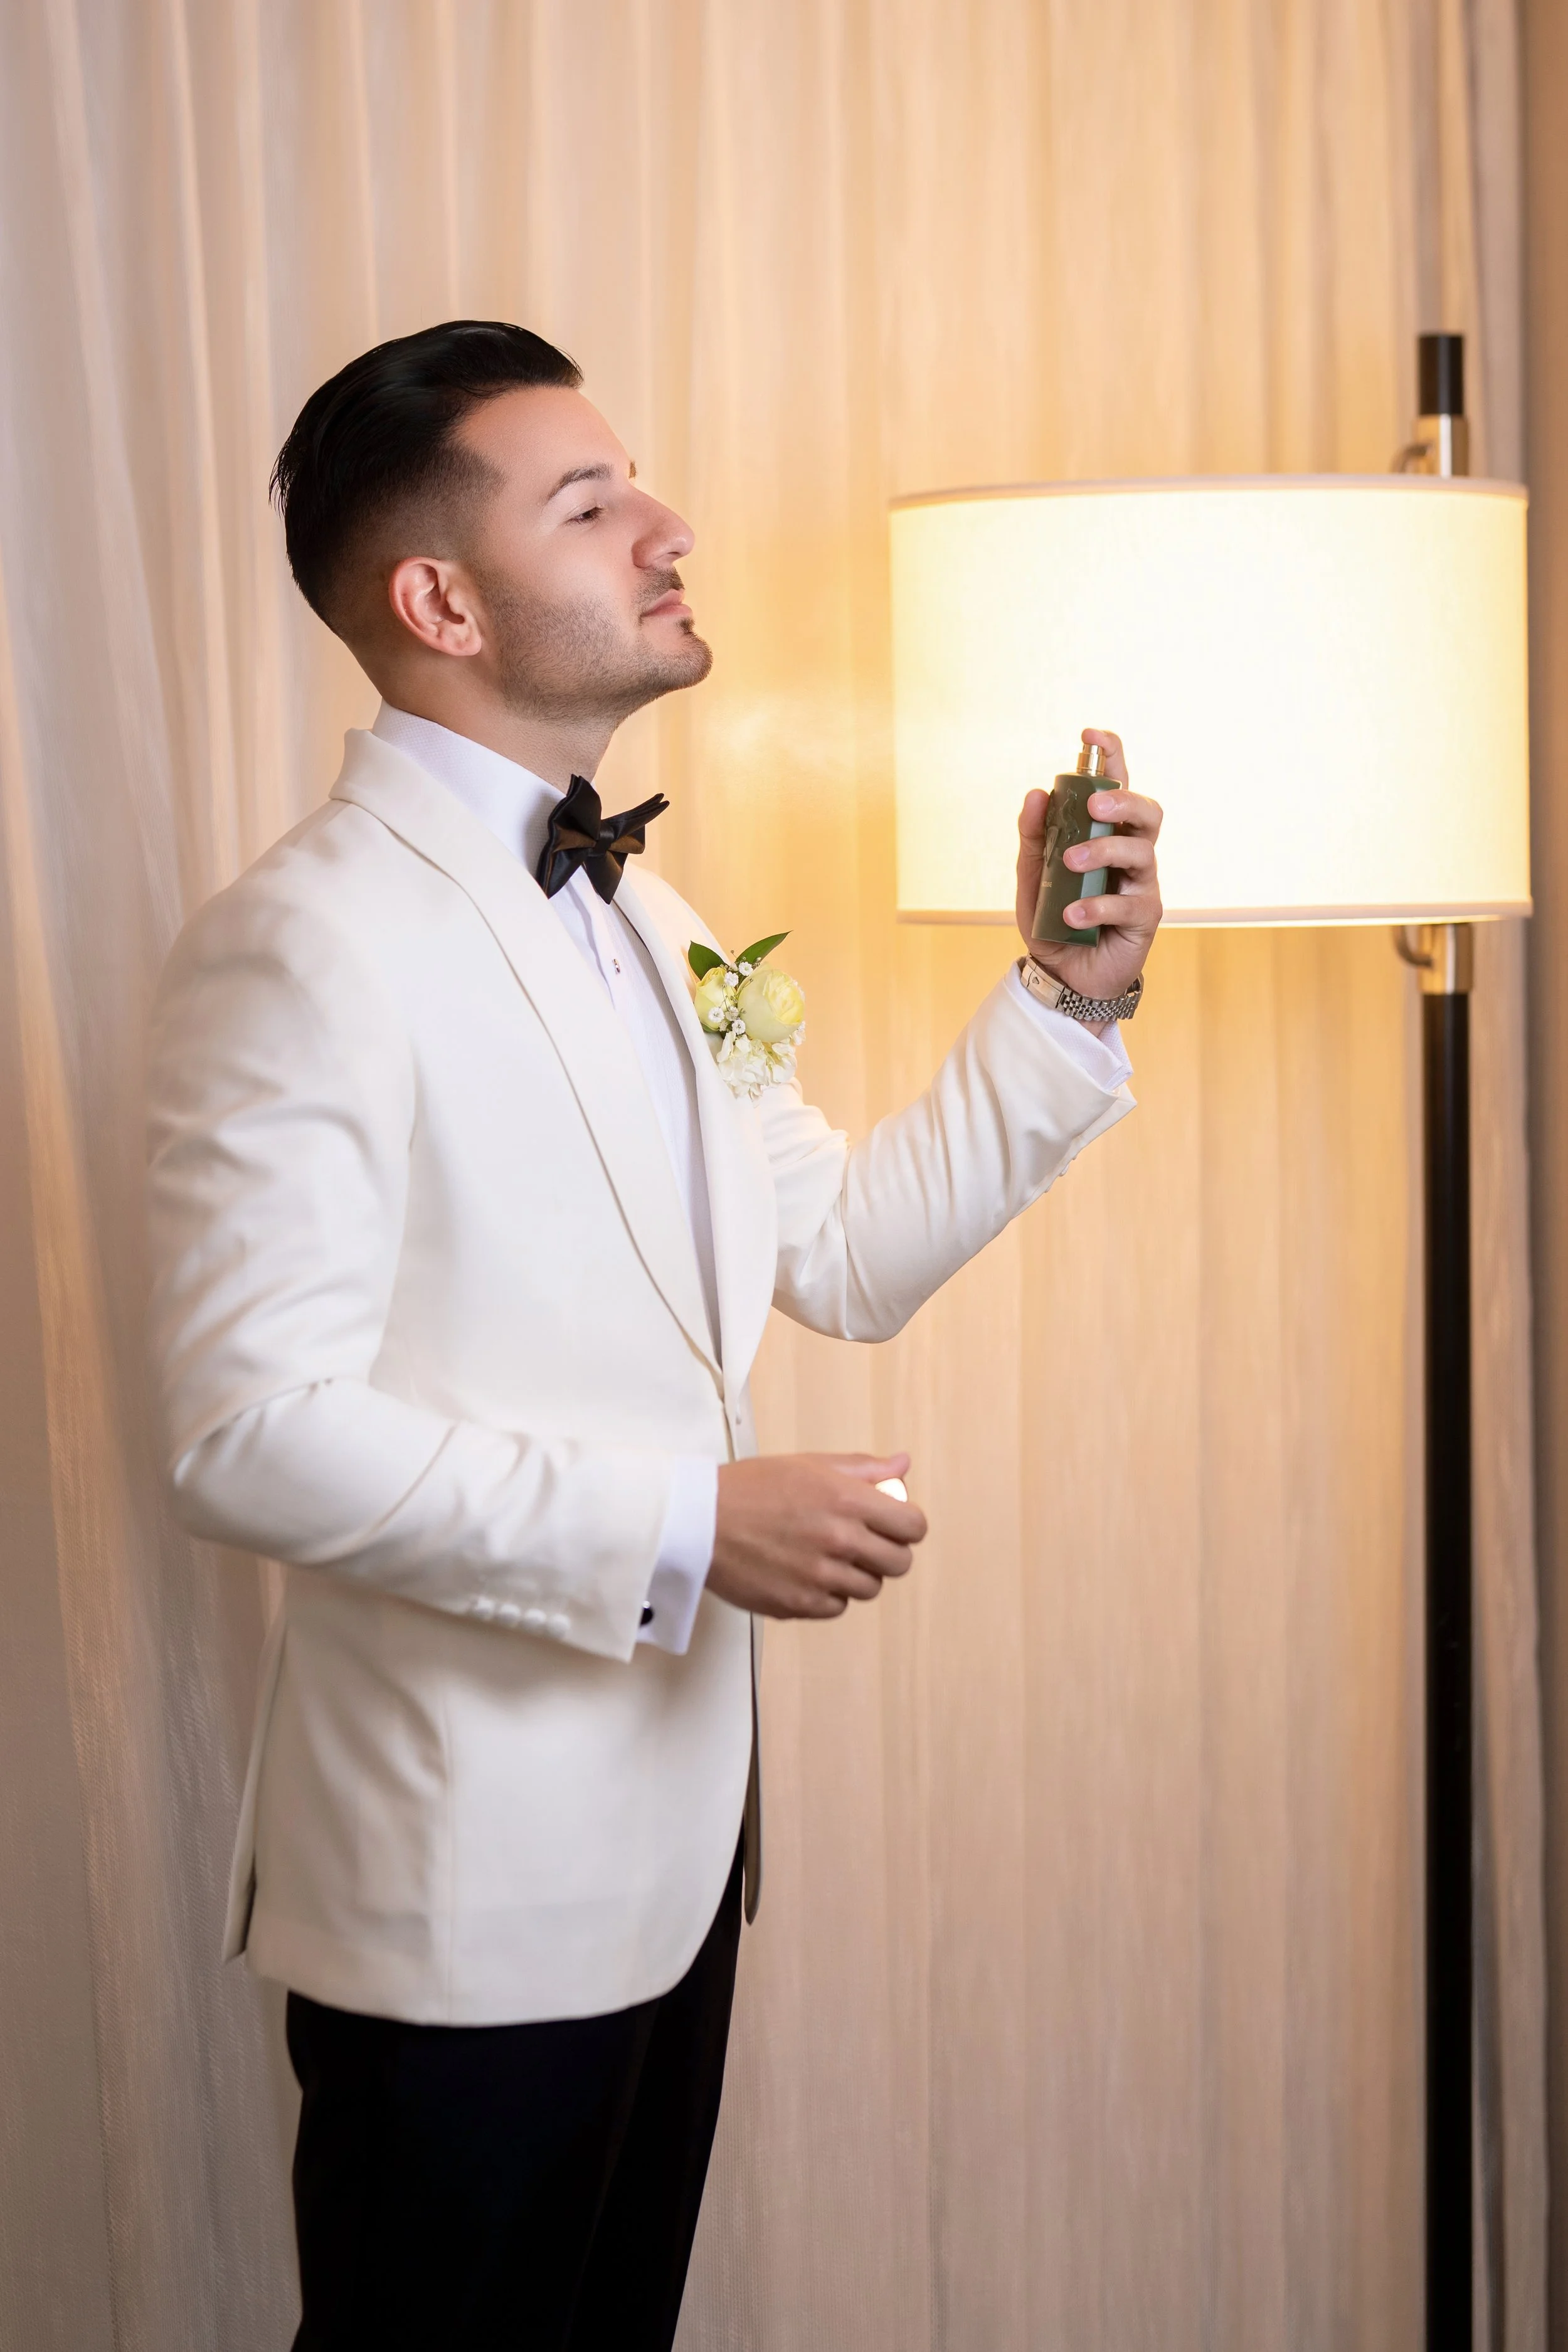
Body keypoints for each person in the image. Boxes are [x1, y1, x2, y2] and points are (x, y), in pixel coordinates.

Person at [145, 320, 1163, 2351]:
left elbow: (846, 1251)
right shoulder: (301, 939)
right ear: (438, 599)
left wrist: (1063, 999)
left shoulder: (655, 916)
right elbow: (246, 1431)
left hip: (674, 1871)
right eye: (590, 503)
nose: (668, 527)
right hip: (457, 1899)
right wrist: (687, 1526)